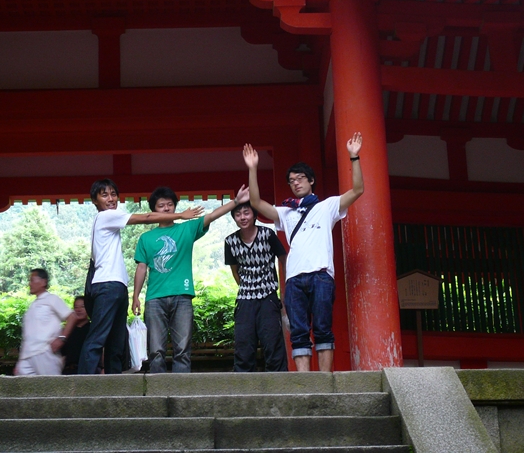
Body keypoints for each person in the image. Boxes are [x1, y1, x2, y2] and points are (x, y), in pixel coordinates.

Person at [242, 132, 364, 372]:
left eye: (300, 178)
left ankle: (325, 381)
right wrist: (252, 168)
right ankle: (305, 382)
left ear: (311, 181)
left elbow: (357, 190)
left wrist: (354, 157)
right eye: (291, 180)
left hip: (321, 275)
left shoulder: (326, 206)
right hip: (294, 279)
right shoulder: (286, 212)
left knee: (322, 328)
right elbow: (256, 203)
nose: (296, 183)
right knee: (298, 332)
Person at [78, 178, 203, 375]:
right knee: (98, 338)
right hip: (107, 284)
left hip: (117, 286)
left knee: (116, 342)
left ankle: (114, 382)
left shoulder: (108, 221)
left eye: (113, 194)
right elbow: (145, 218)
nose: (111, 199)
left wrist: (133, 294)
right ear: (95, 200)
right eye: (104, 195)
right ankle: (82, 383)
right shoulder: (106, 216)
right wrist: (181, 215)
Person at [132, 185, 249, 373]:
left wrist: (236, 202)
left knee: (182, 350)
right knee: (156, 351)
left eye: (170, 204)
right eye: (161, 205)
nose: (166, 208)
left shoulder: (186, 228)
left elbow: (212, 215)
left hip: (183, 296)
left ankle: (180, 390)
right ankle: (157, 389)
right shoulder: (146, 238)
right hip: (154, 298)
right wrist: (135, 296)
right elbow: (141, 267)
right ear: (153, 210)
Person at [224, 201, 288, 372]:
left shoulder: (267, 234)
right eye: (238, 214)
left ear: (254, 215)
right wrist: (247, 287)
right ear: (234, 218)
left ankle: (278, 384)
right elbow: (235, 271)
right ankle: (244, 385)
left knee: (273, 343)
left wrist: (284, 289)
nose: (242, 217)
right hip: (245, 298)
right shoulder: (230, 241)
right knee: (244, 344)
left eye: (246, 213)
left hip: (268, 296)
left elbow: (283, 259)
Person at [15, 268, 77, 376]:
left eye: (32, 280)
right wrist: (20, 362)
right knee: (24, 385)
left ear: (43, 282)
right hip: (27, 355)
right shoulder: (32, 306)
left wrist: (61, 339)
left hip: (45, 351)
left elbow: (72, 317)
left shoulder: (52, 299)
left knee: (52, 385)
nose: (30, 284)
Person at [61, 296, 98, 374]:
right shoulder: (67, 330)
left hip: (89, 371)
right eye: (76, 307)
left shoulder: (94, 329)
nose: (79, 310)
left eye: (82, 307)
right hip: (68, 371)